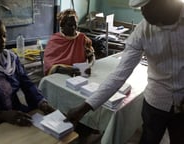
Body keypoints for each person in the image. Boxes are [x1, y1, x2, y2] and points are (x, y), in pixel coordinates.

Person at [65, 0, 184, 143]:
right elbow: (119, 74)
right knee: (149, 138)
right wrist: (83, 108)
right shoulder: (142, 30)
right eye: (141, 7)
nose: (143, 11)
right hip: (156, 102)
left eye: (147, 5)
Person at [0, 11, 55, 136]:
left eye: (4, 35)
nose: (3, 40)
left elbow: (27, 85)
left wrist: (42, 103)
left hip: (16, 115)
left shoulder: (11, 59)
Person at [44, 9, 95, 77]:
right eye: (70, 25)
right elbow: (49, 65)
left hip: (79, 75)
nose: (73, 27)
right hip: (60, 75)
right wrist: (70, 70)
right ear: (62, 25)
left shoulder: (82, 38)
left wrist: (88, 66)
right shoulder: (54, 40)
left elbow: (91, 55)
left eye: (75, 24)